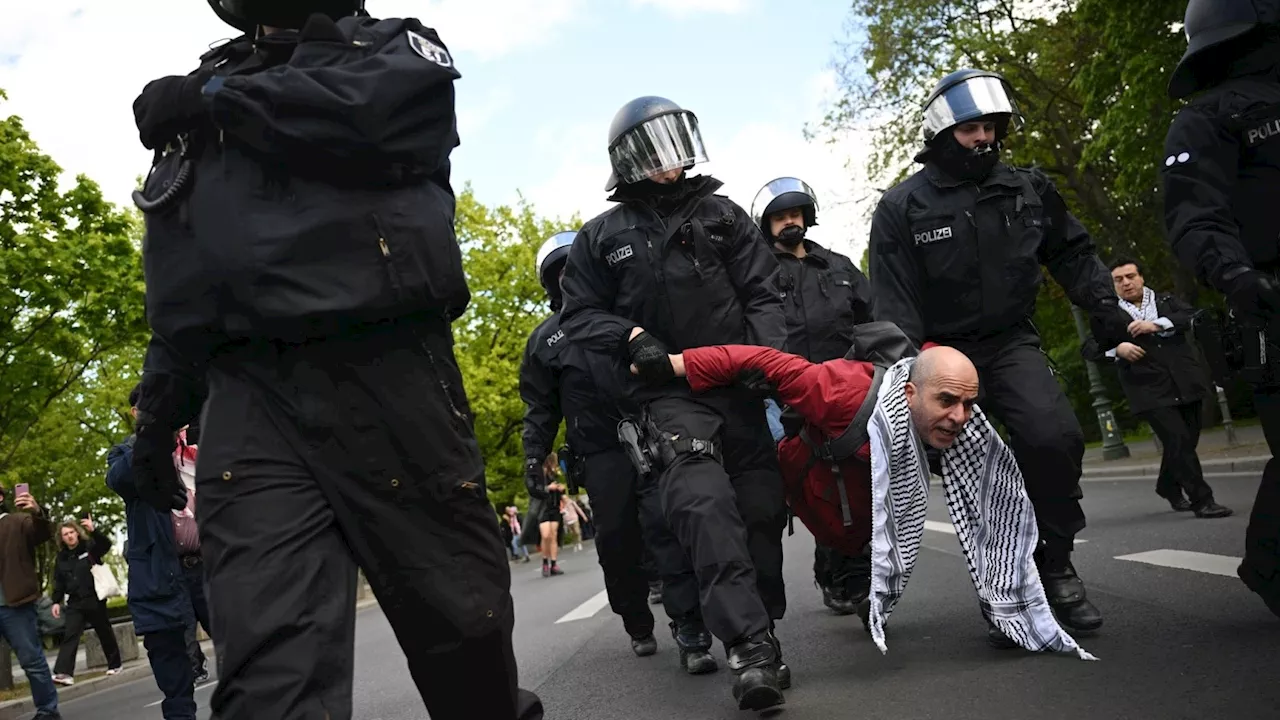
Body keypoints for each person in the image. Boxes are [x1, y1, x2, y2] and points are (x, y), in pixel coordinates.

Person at [127, 2, 542, 717]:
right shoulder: (204, 95)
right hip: (249, 399)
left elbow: (368, 116)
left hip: (387, 372)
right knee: (269, 681)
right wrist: (155, 421)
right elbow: (186, 281)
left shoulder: (390, 50)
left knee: (464, 636)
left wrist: (216, 100)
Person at [869, 68, 1135, 640]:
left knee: (1053, 436)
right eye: (971, 129)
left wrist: (1111, 316)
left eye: (991, 127)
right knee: (976, 472)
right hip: (942, 352)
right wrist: (910, 384)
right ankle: (1005, 590)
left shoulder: (1029, 188)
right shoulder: (902, 206)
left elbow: (1074, 255)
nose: (984, 137)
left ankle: (1055, 562)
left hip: (1012, 341)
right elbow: (895, 304)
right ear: (943, 132)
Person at [650, 339, 1096, 662]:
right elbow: (762, 360)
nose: (959, 417)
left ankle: (1004, 605)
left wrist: (1011, 600)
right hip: (814, 484)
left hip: (864, 497)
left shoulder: (958, 417)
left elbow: (995, 515)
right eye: (947, 402)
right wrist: (673, 364)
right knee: (815, 531)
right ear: (908, 394)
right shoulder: (839, 391)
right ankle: (833, 565)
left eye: (968, 404)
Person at [559, 95, 790, 710]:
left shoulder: (723, 215)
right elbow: (578, 314)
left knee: (761, 516)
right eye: (653, 149)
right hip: (668, 399)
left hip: (740, 389)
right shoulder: (601, 237)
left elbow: (764, 293)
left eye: (674, 144)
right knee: (702, 508)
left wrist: (771, 364)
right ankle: (749, 647)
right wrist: (629, 337)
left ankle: (764, 625)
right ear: (629, 159)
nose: (668, 162)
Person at [520, 232, 717, 671]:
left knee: (669, 527)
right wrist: (534, 457)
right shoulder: (543, 342)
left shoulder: (625, 318)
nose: (569, 279)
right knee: (617, 544)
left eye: (576, 270)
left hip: (650, 434)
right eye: (561, 273)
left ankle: (690, 626)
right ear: (549, 282)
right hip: (600, 454)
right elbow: (539, 409)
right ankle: (637, 622)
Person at [1162, 0, 1280, 619]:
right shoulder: (1207, 118)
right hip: (1269, 296)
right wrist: (1233, 273)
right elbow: (1191, 211)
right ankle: (1271, 567)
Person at [751, 176, 874, 617]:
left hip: (842, 387)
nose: (790, 222)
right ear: (766, 223)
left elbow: (873, 318)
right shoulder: (755, 272)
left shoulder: (839, 267)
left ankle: (848, 573)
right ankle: (789, 585)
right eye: (780, 216)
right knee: (794, 481)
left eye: (795, 214)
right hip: (778, 392)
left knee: (850, 479)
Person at [1086, 259, 1232, 518]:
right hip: (1148, 388)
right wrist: (1116, 349)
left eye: (1130, 276)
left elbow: (1190, 316)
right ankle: (1203, 501)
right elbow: (1089, 347)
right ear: (1113, 285)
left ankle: (1167, 485)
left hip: (1186, 380)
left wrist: (1156, 324)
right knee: (1177, 441)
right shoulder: (1108, 314)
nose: (1126, 282)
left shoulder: (1166, 302)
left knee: (1185, 442)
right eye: (1119, 279)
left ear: (1141, 277)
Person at [109, 387, 197, 719]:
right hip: (162, 577)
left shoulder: (200, 444)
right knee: (176, 684)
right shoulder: (126, 455)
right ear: (136, 415)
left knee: (253, 659)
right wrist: (153, 438)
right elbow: (119, 479)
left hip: (213, 570)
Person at [0, 484, 61, 720]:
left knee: (31, 660)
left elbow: (44, 531)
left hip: (14, 604)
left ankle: (48, 710)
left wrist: (37, 511)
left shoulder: (18, 522)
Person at [51, 517, 123, 685]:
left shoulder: (89, 547)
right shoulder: (61, 557)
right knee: (70, 635)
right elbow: (58, 581)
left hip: (94, 598)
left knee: (104, 631)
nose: (69, 536)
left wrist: (94, 530)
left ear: (77, 533)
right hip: (75, 602)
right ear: (61, 538)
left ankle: (115, 663)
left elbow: (105, 545)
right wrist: (56, 601)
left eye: (71, 532)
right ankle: (64, 672)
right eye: (65, 534)